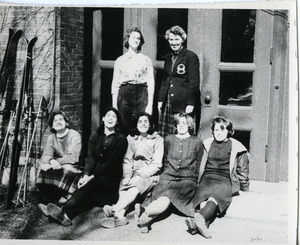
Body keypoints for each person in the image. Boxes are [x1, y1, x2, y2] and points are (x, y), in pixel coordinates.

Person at [37, 107, 128, 226]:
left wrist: (91, 177)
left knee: (86, 189)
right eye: (108, 116)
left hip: (110, 178)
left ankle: (63, 210)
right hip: (95, 177)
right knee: (86, 197)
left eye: (114, 117)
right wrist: (86, 175)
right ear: (103, 119)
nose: (110, 118)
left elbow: (112, 164)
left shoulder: (121, 139)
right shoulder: (95, 135)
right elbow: (91, 159)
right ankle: (65, 217)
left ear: (117, 122)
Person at [133, 113, 203, 233]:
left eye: (184, 123)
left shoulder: (197, 141)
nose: (181, 126)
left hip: (186, 180)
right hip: (168, 176)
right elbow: (165, 161)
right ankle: (146, 218)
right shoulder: (169, 139)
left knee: (167, 195)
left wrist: (196, 182)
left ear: (190, 125)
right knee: (164, 195)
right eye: (178, 123)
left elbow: (198, 164)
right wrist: (165, 175)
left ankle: (146, 213)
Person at [185, 116, 250, 239]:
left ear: (229, 131)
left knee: (216, 197)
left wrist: (245, 187)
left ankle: (196, 222)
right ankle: (200, 223)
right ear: (213, 131)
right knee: (206, 197)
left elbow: (243, 169)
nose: (219, 133)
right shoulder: (207, 143)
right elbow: (198, 163)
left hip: (224, 179)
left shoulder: (236, 146)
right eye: (216, 130)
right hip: (207, 178)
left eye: (222, 130)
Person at [100, 112, 164, 228]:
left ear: (150, 125)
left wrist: (140, 175)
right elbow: (127, 160)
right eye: (140, 122)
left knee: (134, 187)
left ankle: (115, 208)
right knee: (125, 186)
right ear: (136, 124)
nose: (143, 124)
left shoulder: (158, 139)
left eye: (146, 122)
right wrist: (128, 175)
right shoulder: (131, 138)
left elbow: (157, 164)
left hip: (149, 174)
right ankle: (119, 217)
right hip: (133, 171)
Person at [158, 25, 200, 137]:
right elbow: (165, 79)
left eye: (177, 39)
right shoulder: (168, 57)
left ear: (182, 40)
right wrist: (160, 99)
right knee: (166, 136)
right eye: (171, 40)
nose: (174, 43)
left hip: (183, 103)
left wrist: (190, 103)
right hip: (168, 101)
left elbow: (194, 83)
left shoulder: (190, 56)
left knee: (182, 133)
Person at [111, 27, 155, 132]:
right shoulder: (120, 60)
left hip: (141, 95)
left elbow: (151, 82)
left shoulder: (146, 59)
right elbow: (115, 84)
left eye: (138, 38)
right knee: (124, 127)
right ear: (127, 39)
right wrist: (114, 107)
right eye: (133, 37)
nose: (136, 40)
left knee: (142, 127)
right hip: (125, 96)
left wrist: (150, 105)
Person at [36, 110, 82, 204]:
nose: (58, 122)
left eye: (61, 119)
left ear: (66, 122)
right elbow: (46, 155)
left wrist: (55, 161)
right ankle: (56, 199)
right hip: (57, 165)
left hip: (74, 166)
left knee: (66, 169)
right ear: (52, 125)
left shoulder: (74, 135)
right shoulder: (51, 137)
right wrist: (51, 161)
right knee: (42, 169)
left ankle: (67, 197)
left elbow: (73, 158)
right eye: (55, 121)